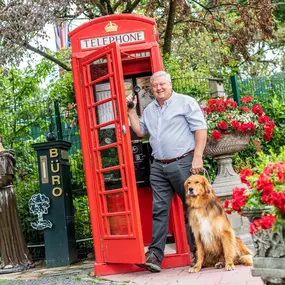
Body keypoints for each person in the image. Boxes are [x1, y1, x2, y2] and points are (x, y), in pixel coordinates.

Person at [127, 71, 207, 273]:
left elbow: (200, 129)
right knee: (159, 210)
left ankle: (198, 252)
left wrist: (198, 157)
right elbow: (139, 131)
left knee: (192, 209)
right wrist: (130, 110)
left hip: (184, 162)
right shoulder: (150, 110)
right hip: (158, 166)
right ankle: (154, 255)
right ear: (151, 88)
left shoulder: (185, 102)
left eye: (162, 84)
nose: (159, 88)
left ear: (170, 84)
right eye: (154, 86)